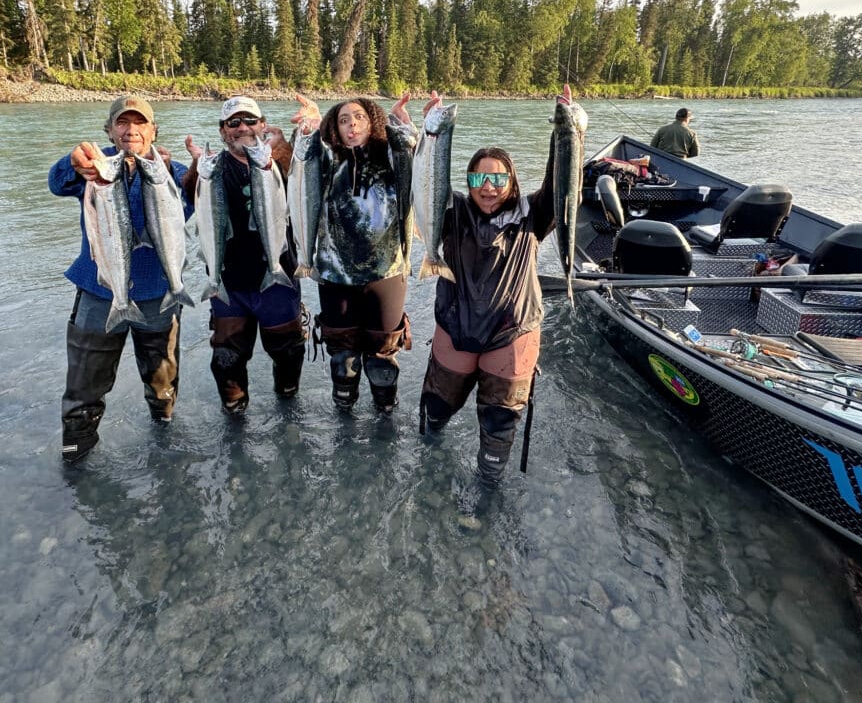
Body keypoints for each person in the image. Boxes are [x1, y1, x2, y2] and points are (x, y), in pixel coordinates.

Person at [419, 84, 583, 485]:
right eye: (479, 176)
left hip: (512, 332)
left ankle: (488, 484)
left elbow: (561, 179)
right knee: (437, 406)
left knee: (499, 418)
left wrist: (566, 130)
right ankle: (427, 460)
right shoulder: (450, 209)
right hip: (456, 326)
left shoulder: (535, 214)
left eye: (498, 178)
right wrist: (419, 138)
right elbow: (421, 181)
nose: (488, 186)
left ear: (511, 181)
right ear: (468, 179)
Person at [49, 95, 192, 462]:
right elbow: (56, 183)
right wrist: (73, 163)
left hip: (158, 294)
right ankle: (76, 452)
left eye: (140, 123)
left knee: (162, 379)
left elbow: (193, 203)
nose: (131, 130)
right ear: (110, 131)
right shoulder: (95, 171)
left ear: (153, 130)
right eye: (122, 123)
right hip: (100, 291)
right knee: (84, 382)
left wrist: (194, 173)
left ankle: (164, 435)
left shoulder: (170, 173)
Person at [289, 92, 417, 413]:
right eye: (344, 120)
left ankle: (385, 409)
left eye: (359, 117)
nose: (352, 125)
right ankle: (343, 407)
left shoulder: (391, 156)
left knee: (382, 357)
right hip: (335, 275)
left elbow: (418, 164)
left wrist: (408, 131)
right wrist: (309, 128)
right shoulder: (327, 161)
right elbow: (300, 167)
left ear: (372, 121)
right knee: (342, 357)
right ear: (335, 127)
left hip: (386, 274)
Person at [182, 96, 306, 414]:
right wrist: (197, 165)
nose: (243, 128)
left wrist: (286, 150)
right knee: (227, 359)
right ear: (223, 132)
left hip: (279, 278)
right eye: (233, 123)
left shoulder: (280, 161)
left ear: (263, 125)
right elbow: (190, 192)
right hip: (229, 284)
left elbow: (306, 177)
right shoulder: (213, 169)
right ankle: (235, 410)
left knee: (289, 351)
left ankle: (287, 399)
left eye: (250, 121)